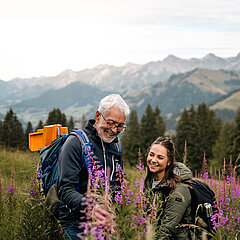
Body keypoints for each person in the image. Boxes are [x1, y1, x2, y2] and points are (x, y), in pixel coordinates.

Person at [58, 94, 130, 239]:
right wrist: (91, 207)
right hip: (76, 224)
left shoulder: (114, 145)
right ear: (98, 116)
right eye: (111, 123)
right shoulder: (75, 143)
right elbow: (65, 190)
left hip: (106, 222)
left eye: (120, 126)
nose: (115, 130)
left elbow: (115, 182)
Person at [144, 137, 199, 239]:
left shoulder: (179, 190)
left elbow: (166, 230)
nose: (153, 160)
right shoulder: (150, 183)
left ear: (169, 161)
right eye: (151, 155)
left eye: (160, 157)